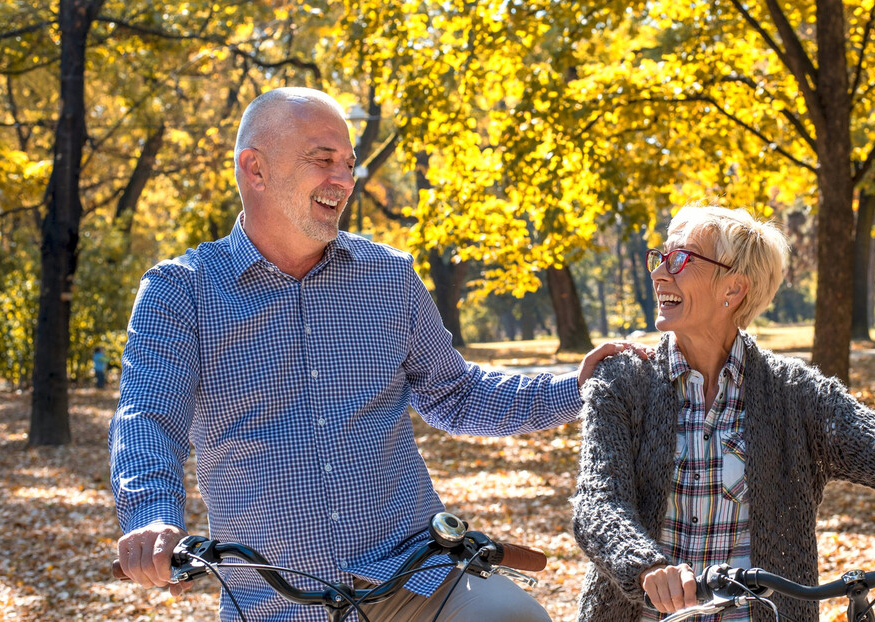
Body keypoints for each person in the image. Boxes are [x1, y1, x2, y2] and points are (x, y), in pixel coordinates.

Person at [110, 87, 640, 622]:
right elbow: (150, 419)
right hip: (275, 603)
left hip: (419, 577)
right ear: (255, 169)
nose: (344, 179)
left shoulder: (388, 277)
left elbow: (454, 394)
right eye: (323, 161)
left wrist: (575, 388)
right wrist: (151, 516)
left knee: (516, 618)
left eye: (349, 163)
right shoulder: (181, 292)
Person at [570, 203, 875, 622]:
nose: (659, 271)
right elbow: (598, 502)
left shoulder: (794, 394)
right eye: (660, 257)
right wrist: (646, 567)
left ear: (733, 289)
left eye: (679, 258)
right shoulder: (625, 380)